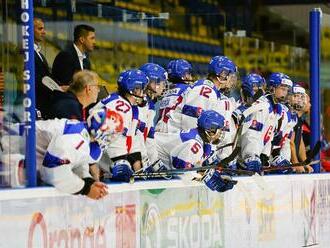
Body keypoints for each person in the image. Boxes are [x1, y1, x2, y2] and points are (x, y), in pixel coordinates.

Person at [36, 108, 123, 199]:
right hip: (21, 150)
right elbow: (52, 170)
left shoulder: (82, 135)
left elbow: (77, 164)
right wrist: (86, 189)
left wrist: (89, 182)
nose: (111, 139)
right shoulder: (77, 138)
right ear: (101, 131)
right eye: (112, 134)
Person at [155, 110, 236, 193]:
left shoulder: (203, 141)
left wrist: (218, 174)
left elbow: (197, 166)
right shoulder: (194, 144)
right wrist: (206, 178)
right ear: (211, 130)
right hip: (149, 155)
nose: (221, 134)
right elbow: (182, 173)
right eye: (220, 131)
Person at [91, 69, 149, 181]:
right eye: (141, 88)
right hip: (93, 152)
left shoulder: (126, 103)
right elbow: (105, 139)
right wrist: (119, 163)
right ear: (133, 89)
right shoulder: (122, 107)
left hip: (99, 150)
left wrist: (138, 164)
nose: (143, 93)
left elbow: (128, 140)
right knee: (122, 174)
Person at [240, 72, 292, 172]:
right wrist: (251, 156)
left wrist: (266, 156)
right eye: (282, 89)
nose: (285, 93)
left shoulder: (277, 109)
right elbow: (252, 133)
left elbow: (268, 136)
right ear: (272, 88)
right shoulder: (262, 105)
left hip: (257, 157)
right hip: (244, 160)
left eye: (287, 90)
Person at [52, 24, 95, 89]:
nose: (94, 42)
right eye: (92, 38)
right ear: (82, 40)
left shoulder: (86, 58)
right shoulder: (66, 56)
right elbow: (64, 85)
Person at [156, 59, 194, 133]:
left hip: (158, 131)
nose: (190, 76)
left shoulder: (165, 92)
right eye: (189, 73)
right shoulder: (188, 90)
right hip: (173, 133)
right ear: (184, 75)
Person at [34, 18, 53, 119]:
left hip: (43, 104)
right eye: (40, 29)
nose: (44, 32)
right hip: (34, 103)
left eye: (43, 29)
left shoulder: (39, 54)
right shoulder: (25, 53)